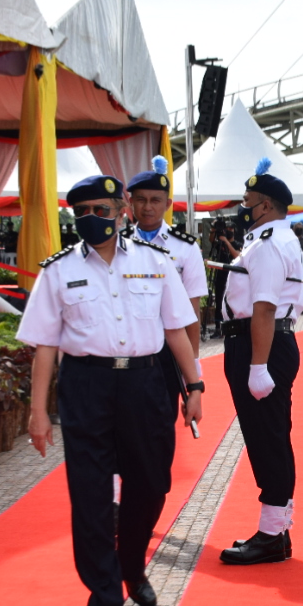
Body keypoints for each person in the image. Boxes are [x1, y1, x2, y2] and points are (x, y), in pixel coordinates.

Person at [17, 174, 203, 606]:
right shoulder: (57, 270)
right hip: (86, 385)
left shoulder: (156, 262)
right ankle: (103, 597)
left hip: (144, 383)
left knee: (151, 484)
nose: (94, 220)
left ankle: (131, 565)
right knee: (91, 494)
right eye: (83, 213)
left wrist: (195, 385)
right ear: (73, 217)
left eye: (102, 210)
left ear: (121, 211)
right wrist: (38, 411)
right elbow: (43, 346)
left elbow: (177, 329)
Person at [218, 158, 303, 565]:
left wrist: (257, 366)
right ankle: (277, 528)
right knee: (269, 436)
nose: (242, 207)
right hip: (262, 345)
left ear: (267, 205)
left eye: (247, 201)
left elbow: (265, 309)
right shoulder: (267, 239)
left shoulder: (271, 242)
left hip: (262, 346)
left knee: (267, 438)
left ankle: (272, 535)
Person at [123, 156, 207, 413]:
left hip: (169, 350)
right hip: (128, 349)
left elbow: (192, 312)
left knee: (160, 423)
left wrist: (192, 364)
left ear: (167, 204)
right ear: (130, 203)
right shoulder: (116, 244)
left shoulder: (185, 246)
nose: (148, 207)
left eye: (155, 200)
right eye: (141, 200)